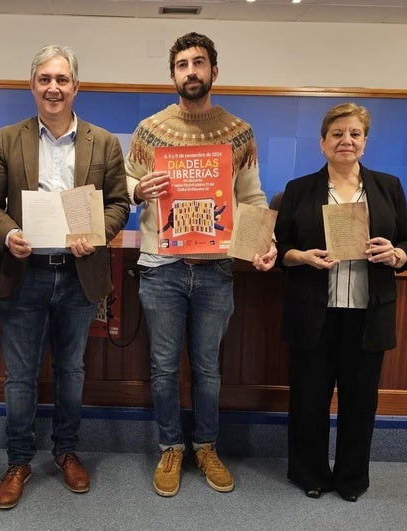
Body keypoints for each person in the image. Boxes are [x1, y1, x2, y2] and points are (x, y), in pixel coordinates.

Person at [0, 44, 129, 510]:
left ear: (76, 87)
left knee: (71, 370)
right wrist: (9, 234)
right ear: (33, 86)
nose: (53, 87)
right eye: (45, 79)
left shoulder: (104, 142)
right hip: (24, 273)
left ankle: (66, 451)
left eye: (62, 79)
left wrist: (96, 233)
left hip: (79, 274)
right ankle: (19, 460)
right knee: (19, 377)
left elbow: (121, 203)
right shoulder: (8, 139)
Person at [124, 32, 277, 497]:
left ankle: (206, 445)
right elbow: (125, 183)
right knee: (165, 366)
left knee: (209, 368)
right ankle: (171, 446)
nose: (191, 71)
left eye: (199, 63)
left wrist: (261, 242)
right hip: (161, 267)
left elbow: (251, 196)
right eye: (182, 64)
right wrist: (137, 190)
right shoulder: (149, 130)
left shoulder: (239, 132)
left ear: (214, 70)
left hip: (214, 269)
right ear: (172, 74)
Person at [274, 102, 407, 502]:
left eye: (355, 134)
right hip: (314, 312)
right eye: (337, 134)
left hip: (367, 314)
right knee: (308, 400)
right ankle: (310, 474)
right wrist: (301, 257)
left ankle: (352, 479)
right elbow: (281, 247)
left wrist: (397, 255)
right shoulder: (298, 190)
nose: (346, 141)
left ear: (365, 142)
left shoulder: (388, 187)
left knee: (360, 403)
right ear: (322, 143)